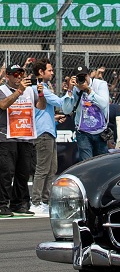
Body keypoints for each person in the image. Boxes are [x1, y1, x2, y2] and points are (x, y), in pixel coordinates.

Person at [0, 64, 46, 217]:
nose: (18, 77)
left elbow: (41, 106)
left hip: (26, 136)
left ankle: (19, 203)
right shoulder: (2, 89)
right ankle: (2, 204)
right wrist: (19, 91)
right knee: (6, 173)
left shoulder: (30, 91)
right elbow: (3, 104)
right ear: (8, 76)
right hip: (7, 137)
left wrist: (40, 94)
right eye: (15, 74)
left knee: (23, 173)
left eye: (21, 74)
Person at [29, 60, 65, 215]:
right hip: (43, 133)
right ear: (41, 72)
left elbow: (41, 111)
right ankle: (35, 201)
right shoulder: (38, 88)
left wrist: (54, 118)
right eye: (49, 70)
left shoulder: (42, 88)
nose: (52, 72)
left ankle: (44, 200)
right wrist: (71, 93)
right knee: (43, 169)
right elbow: (58, 102)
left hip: (49, 131)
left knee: (52, 169)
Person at [61, 65, 111, 160]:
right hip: (83, 132)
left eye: (84, 76)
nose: (82, 79)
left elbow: (104, 104)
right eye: (79, 77)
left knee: (101, 163)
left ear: (89, 75)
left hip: (100, 131)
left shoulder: (100, 84)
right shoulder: (75, 88)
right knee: (86, 163)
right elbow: (66, 110)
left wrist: (88, 90)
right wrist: (70, 90)